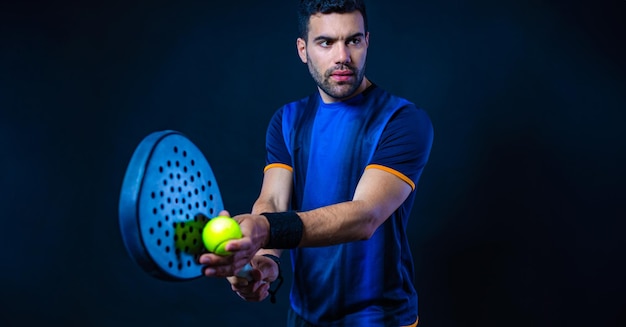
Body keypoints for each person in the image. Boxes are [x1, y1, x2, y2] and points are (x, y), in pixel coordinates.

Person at [199, 0, 434, 325]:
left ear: (367, 41)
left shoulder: (402, 120)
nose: (342, 56)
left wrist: (265, 231)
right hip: (303, 317)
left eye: (353, 40)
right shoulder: (287, 120)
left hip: (381, 319)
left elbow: (364, 216)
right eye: (326, 42)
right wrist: (264, 259)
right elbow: (273, 200)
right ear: (303, 49)